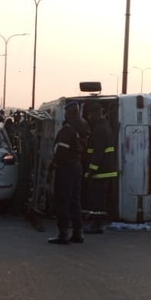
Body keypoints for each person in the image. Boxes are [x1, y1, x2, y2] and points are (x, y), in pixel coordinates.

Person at [47, 101, 86, 245]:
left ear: (69, 113)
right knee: (75, 201)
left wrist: (54, 165)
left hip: (66, 169)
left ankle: (63, 234)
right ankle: (78, 233)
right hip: (76, 166)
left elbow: (61, 152)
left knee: (62, 201)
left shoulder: (67, 130)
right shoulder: (82, 127)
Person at [82, 101, 116, 234]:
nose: (89, 117)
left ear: (97, 113)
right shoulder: (104, 127)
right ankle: (96, 223)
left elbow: (98, 153)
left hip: (100, 172)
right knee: (98, 199)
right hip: (103, 172)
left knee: (96, 200)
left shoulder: (100, 130)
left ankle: (96, 225)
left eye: (90, 114)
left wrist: (90, 170)